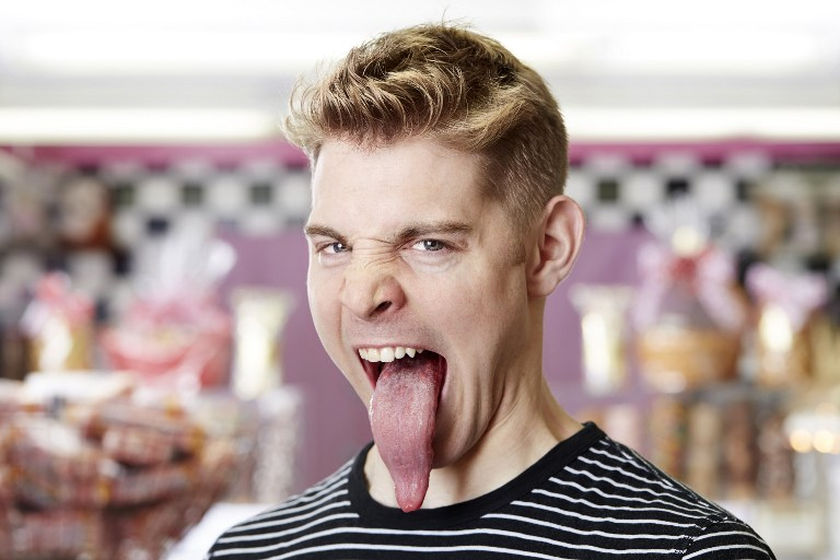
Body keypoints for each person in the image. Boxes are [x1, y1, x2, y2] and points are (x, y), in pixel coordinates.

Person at [207, 23, 775, 559]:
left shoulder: (687, 551)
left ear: (548, 249)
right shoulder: (253, 552)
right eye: (336, 247)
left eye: (428, 244)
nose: (363, 294)